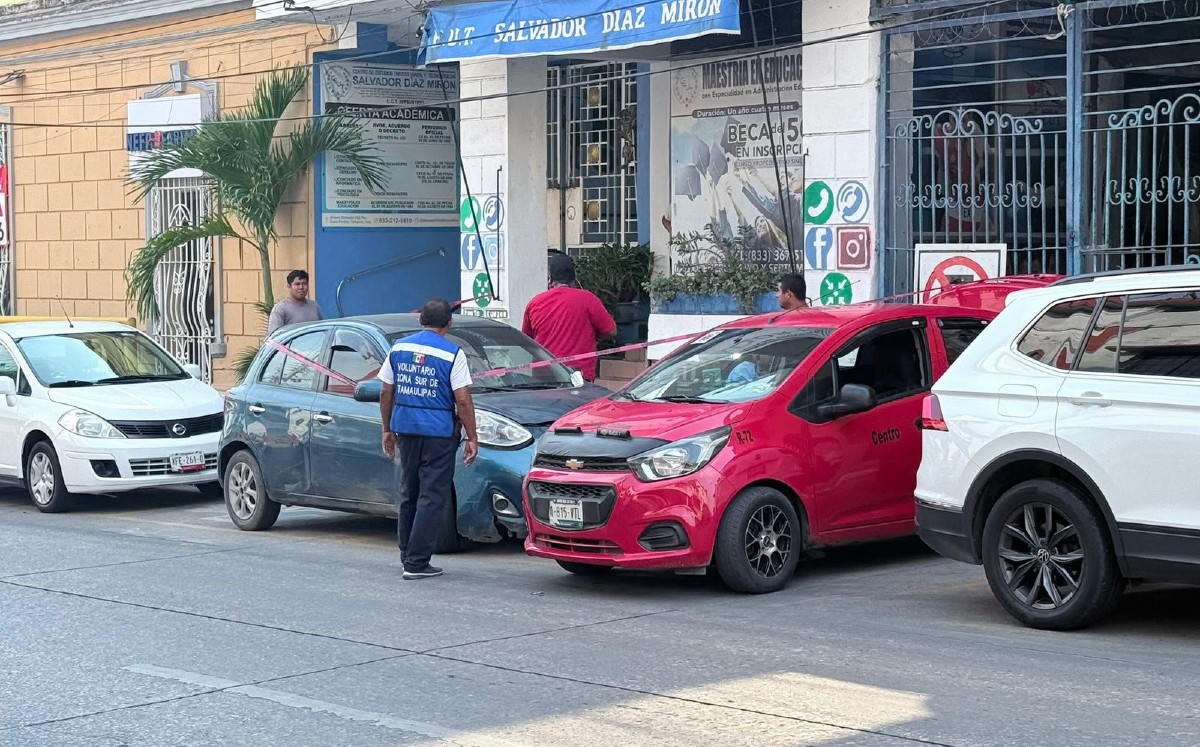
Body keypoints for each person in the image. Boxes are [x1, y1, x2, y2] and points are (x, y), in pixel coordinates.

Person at [378, 298, 479, 581]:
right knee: (432, 495)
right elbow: (463, 399)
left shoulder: (399, 348)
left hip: (406, 431)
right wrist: (472, 436)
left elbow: (386, 392)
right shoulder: (452, 353)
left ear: (420, 319)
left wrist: (386, 429)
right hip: (438, 434)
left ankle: (407, 553)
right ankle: (417, 561)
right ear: (449, 323)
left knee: (409, 491)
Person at [521, 253, 617, 382]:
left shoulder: (535, 303)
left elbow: (526, 340)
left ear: (550, 278)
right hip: (578, 375)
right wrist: (594, 338)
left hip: (544, 376)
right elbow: (611, 331)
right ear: (574, 277)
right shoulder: (587, 299)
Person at [267, 270, 323, 335]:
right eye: (297, 284)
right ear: (289, 286)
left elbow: (321, 330)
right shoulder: (280, 308)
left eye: (304, 284)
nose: (301, 287)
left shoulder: (314, 306)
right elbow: (274, 337)